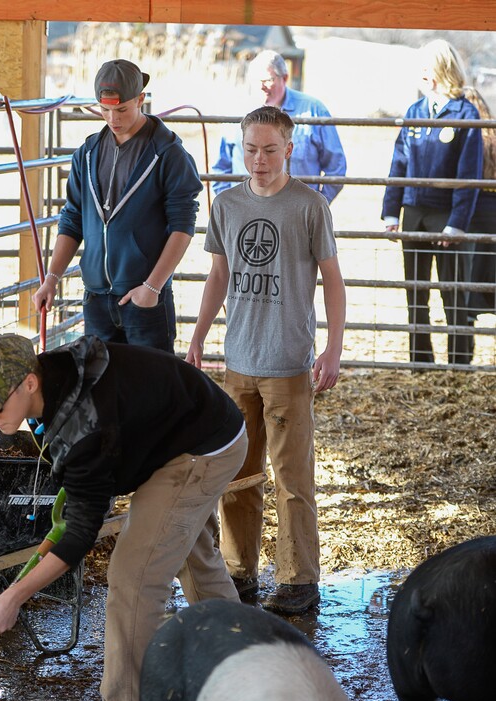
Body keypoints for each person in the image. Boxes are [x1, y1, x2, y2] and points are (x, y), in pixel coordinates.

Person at [0, 332, 247, 701]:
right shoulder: (55, 376)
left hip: (201, 448)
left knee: (133, 575)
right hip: (183, 431)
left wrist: (13, 597)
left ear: (29, 383)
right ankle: (244, 660)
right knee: (192, 556)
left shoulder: (85, 426)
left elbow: (79, 537)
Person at [186, 105, 346, 615]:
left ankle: (299, 581)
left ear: (289, 149)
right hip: (239, 361)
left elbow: (333, 280)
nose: (260, 160)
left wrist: (333, 347)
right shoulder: (228, 205)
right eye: (251, 150)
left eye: (270, 150)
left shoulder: (309, 207)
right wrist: (198, 337)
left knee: (292, 478)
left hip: (289, 364)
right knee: (238, 472)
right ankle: (240, 572)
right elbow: (218, 276)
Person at [32, 59, 203, 354]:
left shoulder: (168, 153)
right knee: (102, 390)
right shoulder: (86, 154)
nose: (113, 118)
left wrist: (152, 288)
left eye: (122, 109)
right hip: (96, 298)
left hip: (145, 298)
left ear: (140, 99)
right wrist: (51, 278)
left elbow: (183, 225)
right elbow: (72, 218)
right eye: (105, 109)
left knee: (151, 393)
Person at [381, 39, 482, 365]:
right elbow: (399, 164)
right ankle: (421, 363)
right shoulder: (415, 112)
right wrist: (390, 213)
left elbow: (469, 175)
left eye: (428, 68)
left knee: (453, 292)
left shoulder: (465, 113)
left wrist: (457, 223)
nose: (423, 75)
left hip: (446, 213)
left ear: (443, 69)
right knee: (416, 290)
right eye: (421, 69)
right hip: (414, 211)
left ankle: (457, 364)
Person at [211, 49, 347, 205]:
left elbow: (336, 166)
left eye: (268, 80)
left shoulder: (313, 110)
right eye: (256, 80)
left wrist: (316, 206)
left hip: (297, 209)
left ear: (285, 78)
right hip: (248, 210)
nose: (261, 86)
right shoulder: (236, 111)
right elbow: (220, 168)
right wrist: (232, 206)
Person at [464, 87, 496, 328]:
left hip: (475, 209)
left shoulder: (468, 134)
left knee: (471, 274)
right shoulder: (493, 134)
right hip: (492, 208)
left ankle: (464, 352)